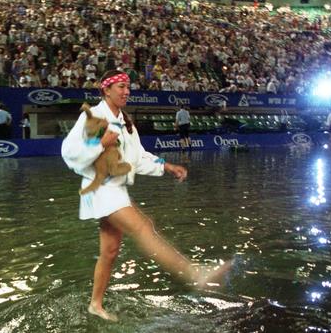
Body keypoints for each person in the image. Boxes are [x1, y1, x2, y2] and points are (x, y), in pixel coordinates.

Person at [61, 70, 232, 322]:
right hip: (100, 188)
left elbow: (138, 157)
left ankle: (95, 304)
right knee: (143, 227)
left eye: (127, 87)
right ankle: (196, 274)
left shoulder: (125, 121)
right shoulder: (96, 117)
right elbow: (69, 152)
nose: (125, 91)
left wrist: (166, 166)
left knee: (110, 251)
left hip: (115, 188)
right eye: (120, 86)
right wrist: (101, 144)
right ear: (106, 90)